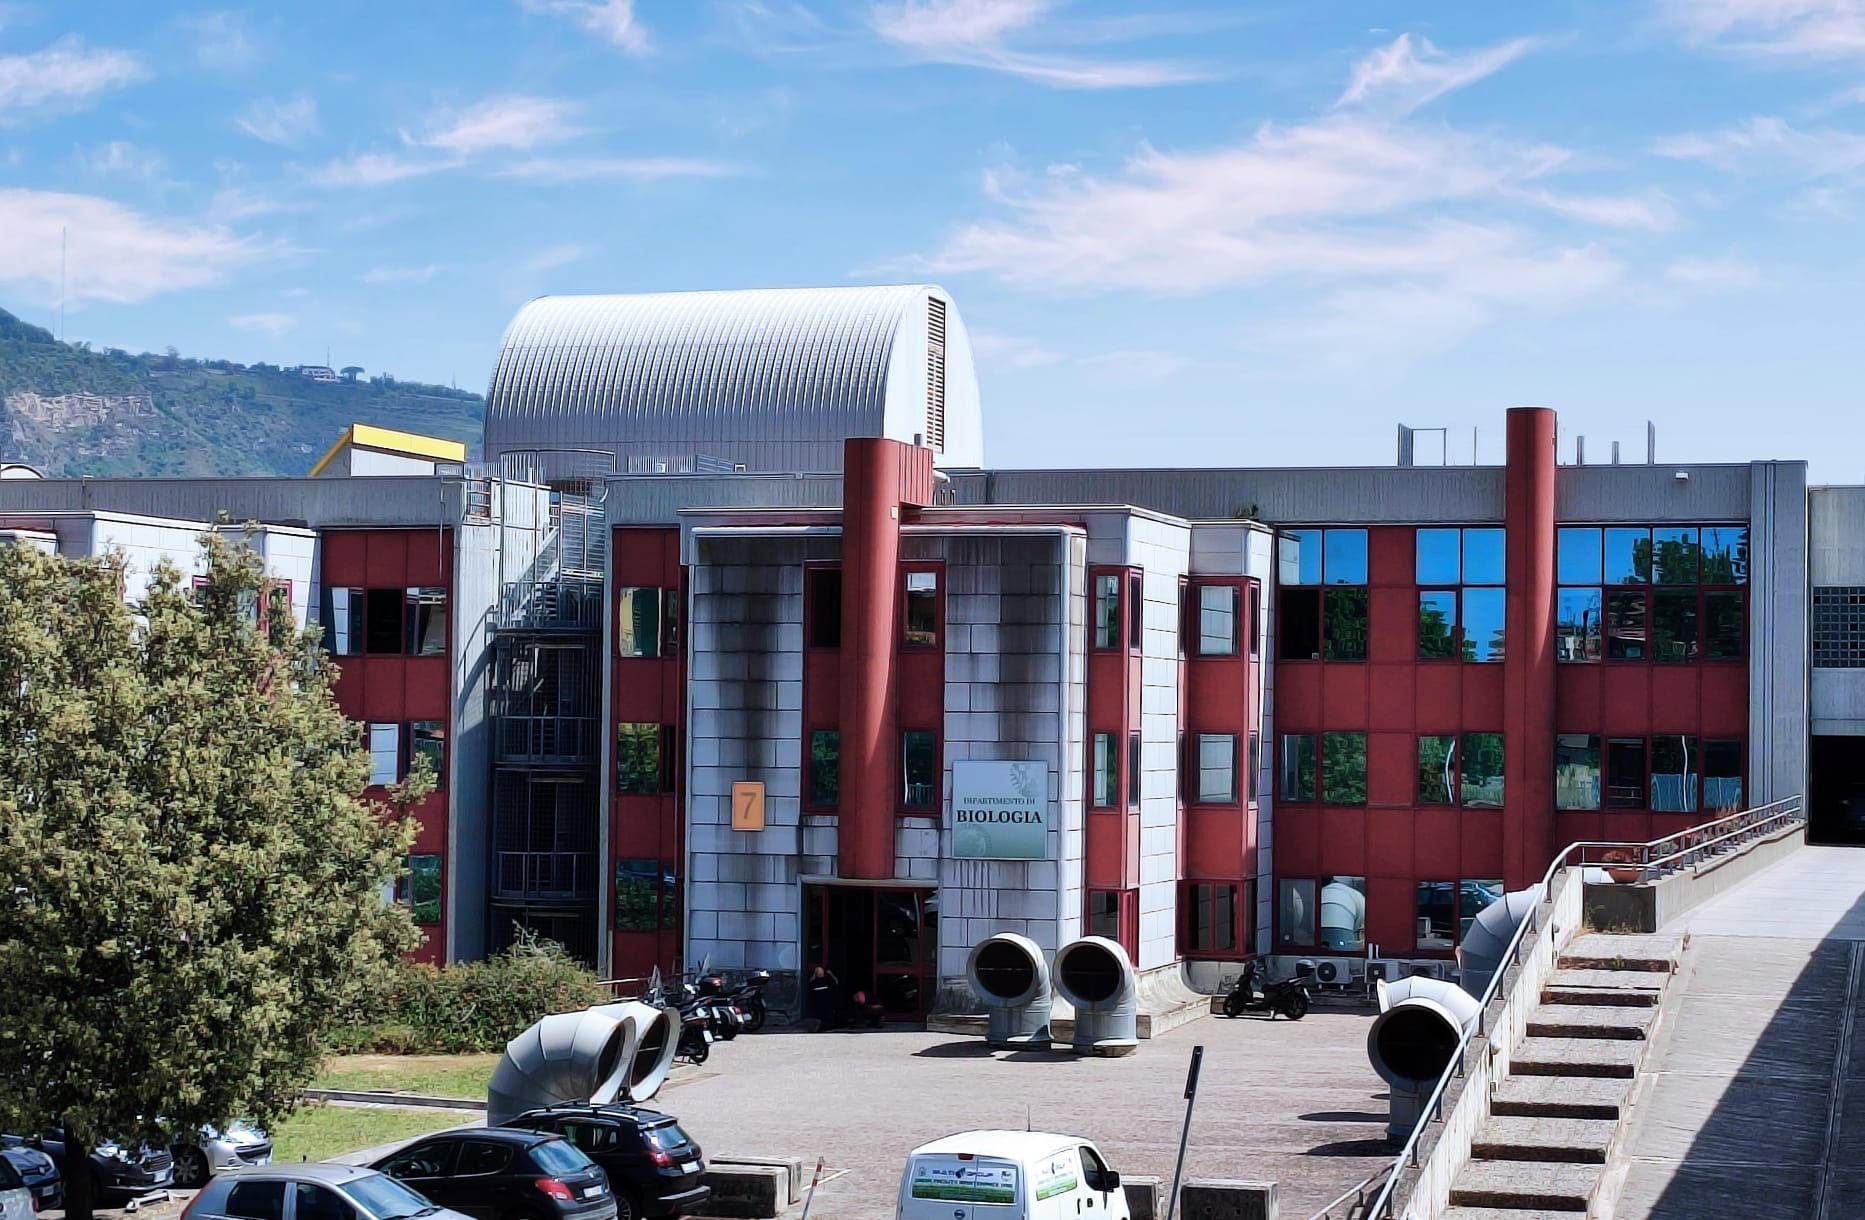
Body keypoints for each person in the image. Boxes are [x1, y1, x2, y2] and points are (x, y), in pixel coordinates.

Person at [805, 963, 838, 1032]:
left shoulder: (817, 982)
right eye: (819, 972)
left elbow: (836, 982)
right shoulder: (824, 981)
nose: (820, 973)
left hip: (822, 1007)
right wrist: (830, 974)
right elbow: (836, 982)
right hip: (822, 1007)